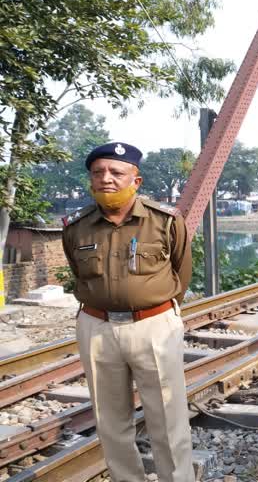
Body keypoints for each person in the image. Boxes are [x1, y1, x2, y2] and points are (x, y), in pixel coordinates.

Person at [61, 142, 193, 482]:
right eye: (98, 172)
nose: (106, 179)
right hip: (97, 328)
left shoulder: (164, 221)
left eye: (117, 172)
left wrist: (154, 307)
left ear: (136, 180)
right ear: (90, 179)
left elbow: (181, 272)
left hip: (153, 327)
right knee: (110, 420)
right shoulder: (76, 227)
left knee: (167, 416)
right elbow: (78, 272)